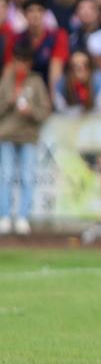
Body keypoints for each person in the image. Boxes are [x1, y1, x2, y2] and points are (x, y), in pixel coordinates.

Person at [0, 39, 51, 235]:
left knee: (28, 177)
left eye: (25, 60)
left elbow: (45, 111)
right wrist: (8, 102)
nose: (21, 64)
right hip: (6, 135)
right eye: (18, 60)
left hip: (28, 136)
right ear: (13, 60)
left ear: (30, 62)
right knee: (5, 176)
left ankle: (22, 217)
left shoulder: (36, 82)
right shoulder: (6, 81)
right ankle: (4, 216)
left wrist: (31, 111)